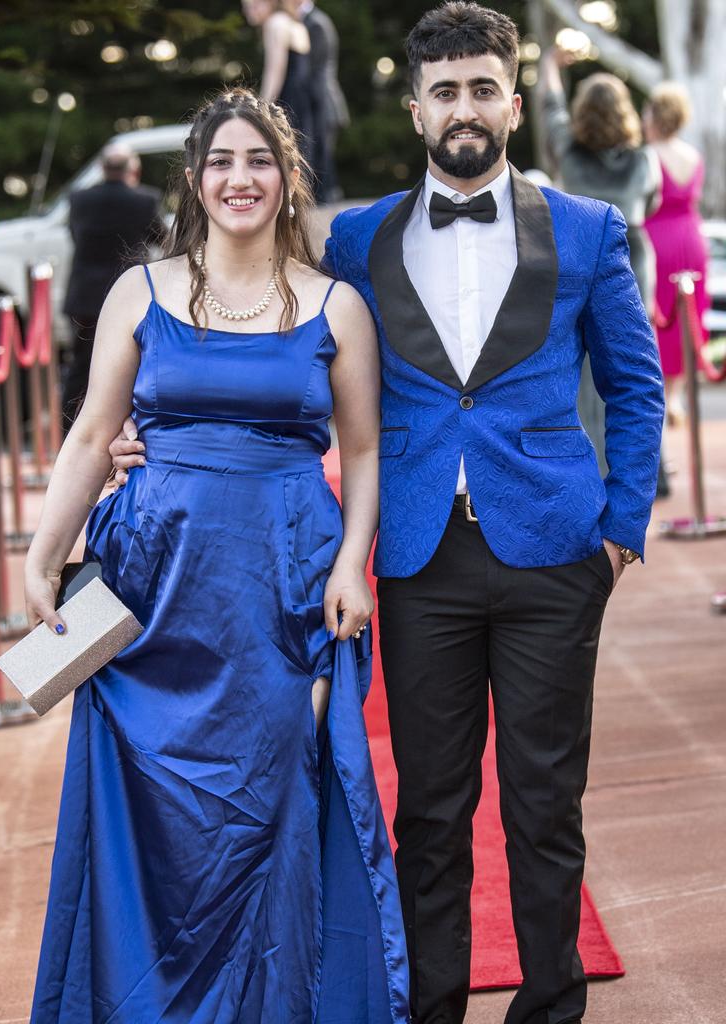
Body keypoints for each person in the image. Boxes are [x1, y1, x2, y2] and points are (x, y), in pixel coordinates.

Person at [112, 5, 665, 1023]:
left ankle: (551, 1005)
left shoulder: (587, 230)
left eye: (482, 87)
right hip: (415, 560)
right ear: (416, 109)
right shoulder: (358, 239)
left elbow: (636, 384)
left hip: (554, 551)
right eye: (444, 90)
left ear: (512, 95)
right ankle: (434, 1006)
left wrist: (624, 522)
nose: (465, 107)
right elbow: (284, 351)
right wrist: (165, 431)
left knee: (545, 807)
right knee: (433, 810)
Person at [25, 89, 408, 1023]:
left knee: (276, 806)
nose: (242, 178)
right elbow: (89, 437)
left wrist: (352, 561)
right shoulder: (140, 291)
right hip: (154, 594)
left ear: (287, 177)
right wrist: (42, 557)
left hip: (282, 591)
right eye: (222, 162)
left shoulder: (336, 306)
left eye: (260, 160)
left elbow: (362, 450)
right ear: (194, 181)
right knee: (152, 820)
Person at [539, 46, 661, 474]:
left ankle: (593, 459)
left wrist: (551, 66)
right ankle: (649, 468)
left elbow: (551, 107)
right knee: (637, 368)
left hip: (575, 258)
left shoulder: (569, 153)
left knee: (583, 372)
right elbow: (652, 201)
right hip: (633, 261)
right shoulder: (644, 161)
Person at [61, 144, 164, 431]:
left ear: (102, 169)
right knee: (132, 366)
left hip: (85, 297)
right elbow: (161, 239)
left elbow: (75, 235)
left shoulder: (78, 199)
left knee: (80, 368)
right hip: (130, 298)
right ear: (133, 170)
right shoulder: (145, 200)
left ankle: (69, 432)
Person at [643, 81, 710, 427]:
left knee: (658, 316)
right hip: (692, 240)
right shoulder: (693, 155)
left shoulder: (650, 155)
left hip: (659, 241)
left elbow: (648, 202)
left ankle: (660, 396)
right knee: (688, 316)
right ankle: (677, 396)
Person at [241, 0, 315, 160]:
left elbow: (275, 71)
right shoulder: (292, 22)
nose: (248, 11)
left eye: (254, 6)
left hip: (289, 101)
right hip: (302, 99)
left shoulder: (275, 23)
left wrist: (262, 109)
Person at [297, 0, 350, 202]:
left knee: (324, 162)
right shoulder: (310, 21)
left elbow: (315, 69)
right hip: (315, 101)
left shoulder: (316, 23)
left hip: (323, 101)